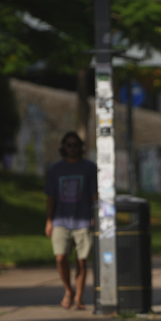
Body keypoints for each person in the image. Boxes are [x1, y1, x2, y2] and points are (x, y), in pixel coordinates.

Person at [44, 132, 97, 309]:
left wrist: (95, 217)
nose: (72, 148)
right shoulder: (55, 170)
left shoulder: (89, 168)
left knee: (81, 260)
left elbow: (94, 195)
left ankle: (78, 298)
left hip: (83, 220)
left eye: (75, 145)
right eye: (69, 145)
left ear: (80, 147)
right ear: (63, 147)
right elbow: (50, 197)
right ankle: (68, 289)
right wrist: (49, 220)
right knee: (60, 258)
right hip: (61, 220)